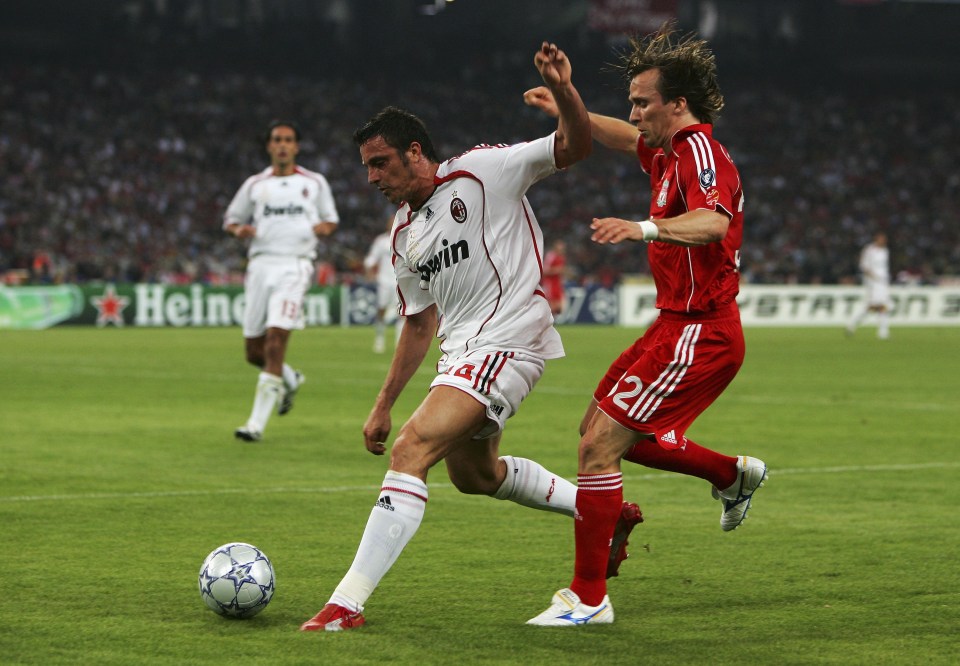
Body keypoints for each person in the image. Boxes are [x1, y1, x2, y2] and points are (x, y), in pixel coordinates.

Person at [301, 42, 642, 633]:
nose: (372, 177)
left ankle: (345, 603)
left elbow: (575, 145)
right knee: (475, 477)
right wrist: (382, 403)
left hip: (511, 339)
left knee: (412, 450)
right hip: (460, 353)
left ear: (415, 152)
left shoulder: (482, 170)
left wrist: (564, 91)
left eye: (380, 162)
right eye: (366, 167)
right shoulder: (404, 233)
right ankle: (603, 513)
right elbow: (417, 322)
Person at [523, 24, 767, 626]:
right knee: (598, 433)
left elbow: (712, 222)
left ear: (676, 104)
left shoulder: (701, 154)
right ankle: (729, 474)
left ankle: (587, 598)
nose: (634, 113)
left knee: (599, 448)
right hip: (673, 324)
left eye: (642, 101)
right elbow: (618, 135)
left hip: (701, 329)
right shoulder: (665, 150)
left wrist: (644, 228)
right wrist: (568, 102)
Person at [223, 119, 339, 442]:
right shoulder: (255, 185)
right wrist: (239, 230)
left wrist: (322, 229)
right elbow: (231, 220)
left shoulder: (314, 183)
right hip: (260, 266)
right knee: (254, 352)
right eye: (277, 139)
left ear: (296, 146)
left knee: (276, 342)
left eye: (288, 139)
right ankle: (290, 378)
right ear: (269, 146)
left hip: (295, 266)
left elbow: (331, 220)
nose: (283, 144)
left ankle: (255, 425)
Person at [363, 218, 404, 353]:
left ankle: (399, 343)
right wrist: (369, 271)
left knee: (402, 313)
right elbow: (371, 259)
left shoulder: (405, 237)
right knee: (381, 310)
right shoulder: (381, 241)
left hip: (401, 281)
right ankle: (379, 338)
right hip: (384, 282)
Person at [846, 231, 891, 339]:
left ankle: (882, 332)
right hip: (873, 282)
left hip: (883, 282)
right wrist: (872, 278)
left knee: (882, 306)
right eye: (881, 239)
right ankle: (852, 323)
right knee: (874, 307)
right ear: (876, 239)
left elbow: (884, 267)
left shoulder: (885, 251)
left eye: (884, 239)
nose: (883, 241)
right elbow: (863, 266)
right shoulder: (869, 250)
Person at [540, 239, 568, 316]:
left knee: (559, 307)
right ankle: (546, 321)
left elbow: (561, 272)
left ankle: (551, 321)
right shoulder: (551, 256)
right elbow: (544, 270)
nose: (561, 250)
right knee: (552, 305)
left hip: (558, 284)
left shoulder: (562, 258)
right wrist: (557, 270)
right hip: (550, 283)